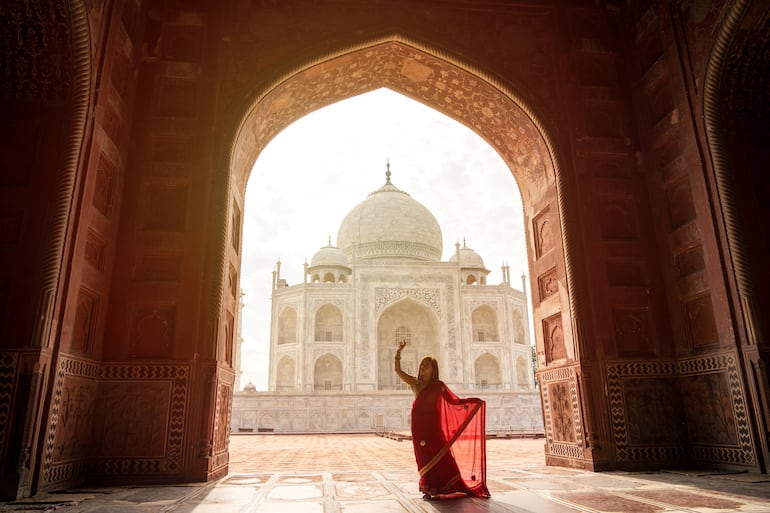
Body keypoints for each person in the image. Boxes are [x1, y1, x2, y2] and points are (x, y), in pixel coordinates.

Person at [394, 340, 491, 500]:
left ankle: (448, 484)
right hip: (419, 427)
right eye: (422, 365)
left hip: (433, 426)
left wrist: (471, 404)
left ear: (433, 370)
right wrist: (399, 352)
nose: (423, 367)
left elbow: (454, 402)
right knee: (424, 456)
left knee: (442, 455)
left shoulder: (438, 386)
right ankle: (427, 488)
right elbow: (398, 370)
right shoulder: (415, 383)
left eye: (427, 365)